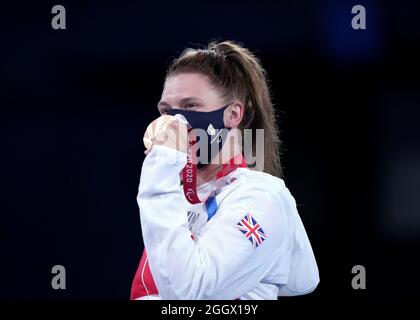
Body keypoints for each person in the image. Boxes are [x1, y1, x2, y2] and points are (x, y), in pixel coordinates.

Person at [130, 40, 319, 300]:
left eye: (190, 106)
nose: (173, 122)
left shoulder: (261, 197)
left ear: (232, 114)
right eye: (165, 110)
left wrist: (160, 170)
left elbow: (189, 295)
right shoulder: (182, 203)